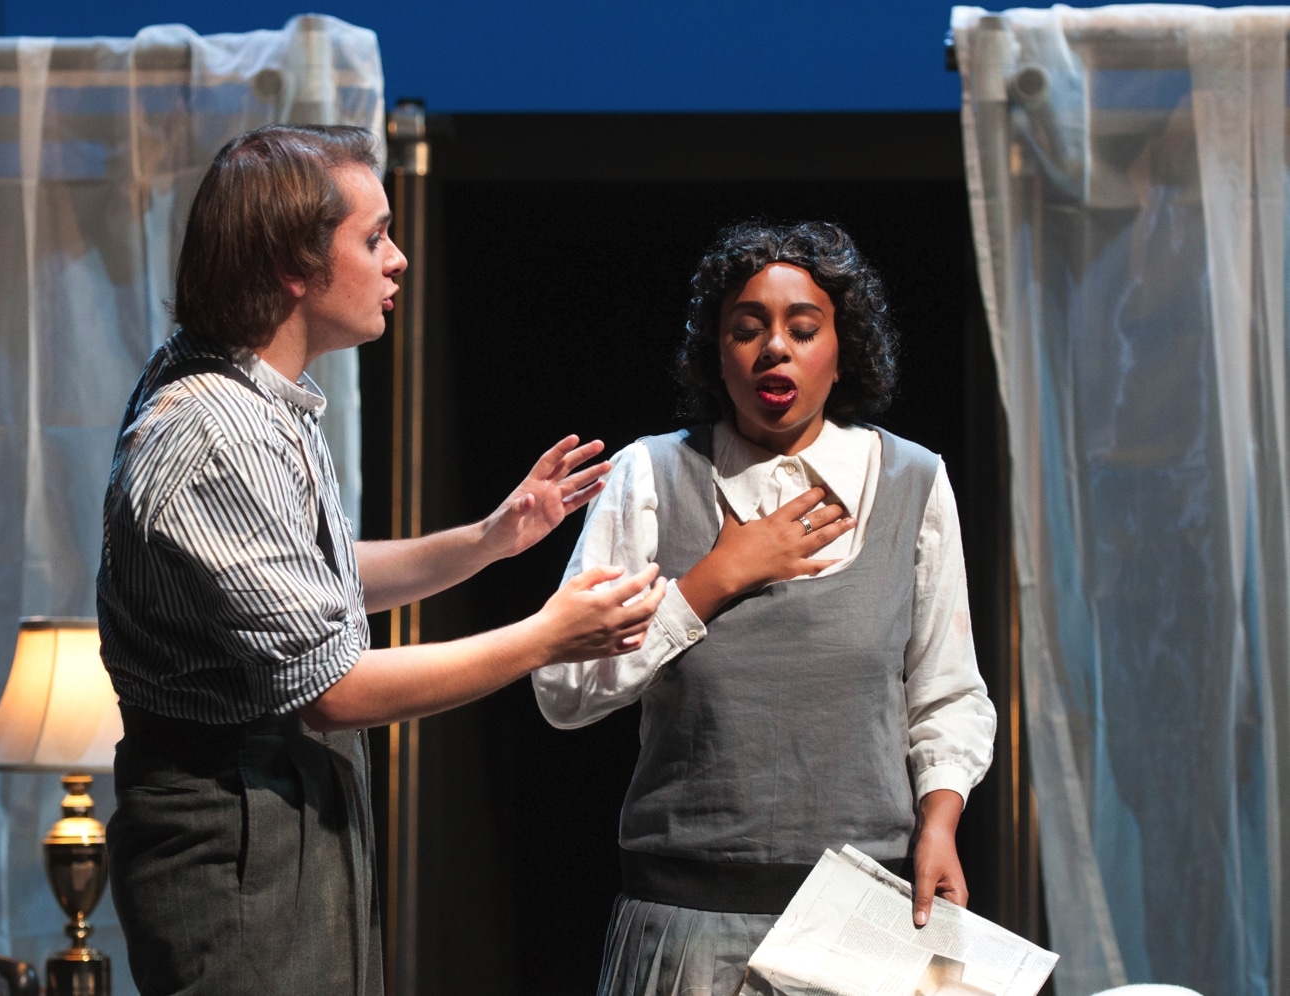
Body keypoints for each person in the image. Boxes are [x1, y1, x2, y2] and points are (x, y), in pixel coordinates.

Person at [96, 124, 666, 996]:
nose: (397, 260)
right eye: (373, 239)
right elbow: (334, 692)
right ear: (292, 265)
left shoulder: (255, 397)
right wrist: (546, 637)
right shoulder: (216, 434)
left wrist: (489, 540)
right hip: (238, 823)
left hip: (278, 801)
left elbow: (303, 584)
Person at [532, 221, 997, 995]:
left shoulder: (913, 482)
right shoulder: (652, 474)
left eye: (803, 329)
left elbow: (947, 691)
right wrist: (711, 580)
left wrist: (940, 824)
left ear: (842, 350)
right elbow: (564, 691)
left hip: (861, 921)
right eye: (746, 329)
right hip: (688, 917)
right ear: (717, 354)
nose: (774, 347)